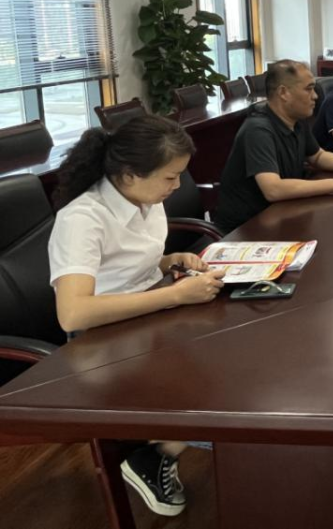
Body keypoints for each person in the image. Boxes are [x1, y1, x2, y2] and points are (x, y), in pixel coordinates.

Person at [48, 115, 227, 517]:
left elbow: (127, 265)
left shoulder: (145, 200)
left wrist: (170, 261)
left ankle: (163, 448)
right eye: (170, 177)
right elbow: (73, 313)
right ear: (129, 174)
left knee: (237, 357)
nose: (177, 186)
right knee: (224, 392)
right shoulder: (83, 219)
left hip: (150, 316)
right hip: (103, 344)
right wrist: (174, 296)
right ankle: (160, 452)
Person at [214, 60, 333, 234]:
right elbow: (273, 189)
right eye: (309, 89)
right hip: (246, 229)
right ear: (283, 93)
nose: (315, 96)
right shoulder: (258, 130)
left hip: (280, 213)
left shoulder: (296, 120)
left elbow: (318, 156)